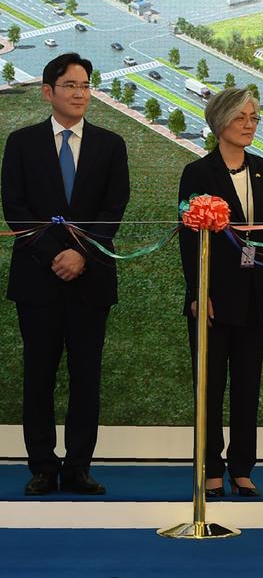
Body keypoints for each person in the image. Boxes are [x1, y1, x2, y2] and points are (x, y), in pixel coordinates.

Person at [2, 53, 129, 496]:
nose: (80, 93)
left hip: (90, 280)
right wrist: (57, 256)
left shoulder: (111, 145)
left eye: (86, 85)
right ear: (47, 92)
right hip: (38, 280)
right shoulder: (21, 143)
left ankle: (78, 466)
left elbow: (113, 211)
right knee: (38, 374)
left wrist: (80, 256)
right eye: (71, 85)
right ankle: (41, 465)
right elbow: (16, 211)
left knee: (85, 375)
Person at [178, 87, 263, 498]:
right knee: (210, 386)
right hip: (214, 298)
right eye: (241, 118)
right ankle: (211, 467)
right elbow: (190, 241)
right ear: (220, 122)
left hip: (255, 293)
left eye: (254, 118)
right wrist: (197, 291)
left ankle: (242, 467)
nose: (249, 125)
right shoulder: (197, 173)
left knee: (247, 386)